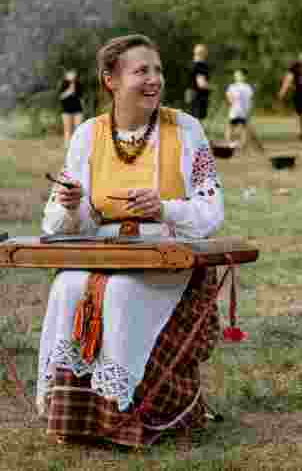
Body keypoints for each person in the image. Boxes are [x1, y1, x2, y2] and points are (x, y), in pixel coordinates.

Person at [38, 34, 225, 447]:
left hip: (167, 259)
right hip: (104, 251)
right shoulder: (88, 134)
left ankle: (131, 420)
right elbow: (64, 222)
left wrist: (164, 209)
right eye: (142, 71)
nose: (154, 79)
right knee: (67, 287)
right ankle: (75, 421)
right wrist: (71, 204)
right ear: (111, 80)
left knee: (120, 293)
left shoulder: (187, 129)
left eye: (157, 70)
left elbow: (212, 211)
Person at [224, 68, 255, 150]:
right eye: (236, 75)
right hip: (237, 111)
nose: (237, 76)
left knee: (240, 128)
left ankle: (240, 145)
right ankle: (232, 143)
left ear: (244, 76)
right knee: (233, 126)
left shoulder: (245, 87)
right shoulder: (234, 86)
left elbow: (250, 99)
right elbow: (229, 97)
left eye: (239, 75)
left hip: (241, 111)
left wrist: (248, 109)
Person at [58, 69, 84, 145]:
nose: (72, 75)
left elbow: (81, 97)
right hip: (66, 110)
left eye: (73, 74)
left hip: (78, 109)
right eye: (70, 74)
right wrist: (69, 91)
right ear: (66, 76)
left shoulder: (78, 84)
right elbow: (61, 97)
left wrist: (82, 107)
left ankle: (78, 145)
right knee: (67, 129)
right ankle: (67, 145)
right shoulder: (63, 84)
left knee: (78, 129)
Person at [188, 43, 211, 123]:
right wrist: (211, 87)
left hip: (192, 94)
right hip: (199, 96)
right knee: (197, 120)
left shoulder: (192, 65)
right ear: (203, 53)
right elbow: (201, 83)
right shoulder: (201, 66)